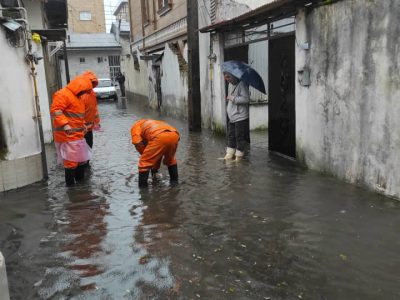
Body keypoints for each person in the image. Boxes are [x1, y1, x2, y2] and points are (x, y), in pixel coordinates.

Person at [51, 75, 93, 186]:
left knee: (81, 161)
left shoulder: (78, 98)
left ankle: (80, 189)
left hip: (78, 135)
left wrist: (83, 124)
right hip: (67, 136)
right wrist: (65, 125)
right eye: (84, 91)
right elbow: (56, 111)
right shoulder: (62, 94)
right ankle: (71, 189)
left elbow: (76, 116)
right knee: (71, 163)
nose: (84, 93)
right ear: (79, 88)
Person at [130, 119, 180, 187]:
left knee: (144, 162)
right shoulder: (152, 123)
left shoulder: (135, 126)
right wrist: (154, 166)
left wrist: (144, 154)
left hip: (159, 136)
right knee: (170, 160)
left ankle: (143, 191)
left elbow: (137, 142)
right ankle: (175, 184)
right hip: (175, 135)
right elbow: (156, 154)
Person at [223, 71, 250, 162]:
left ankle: (239, 155)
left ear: (233, 76)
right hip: (232, 116)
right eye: (225, 77)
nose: (226, 79)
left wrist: (233, 98)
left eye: (228, 77)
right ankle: (230, 154)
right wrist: (230, 98)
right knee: (231, 135)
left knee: (239, 136)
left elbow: (246, 99)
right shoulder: (230, 84)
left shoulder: (242, 84)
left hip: (240, 116)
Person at [81, 71, 101, 151]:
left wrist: (97, 122)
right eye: (90, 82)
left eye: (93, 83)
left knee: (89, 145)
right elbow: (78, 112)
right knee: (83, 148)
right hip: (81, 128)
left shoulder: (92, 94)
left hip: (88, 128)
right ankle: (83, 162)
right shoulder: (81, 94)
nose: (92, 85)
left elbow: (94, 109)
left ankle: (86, 161)